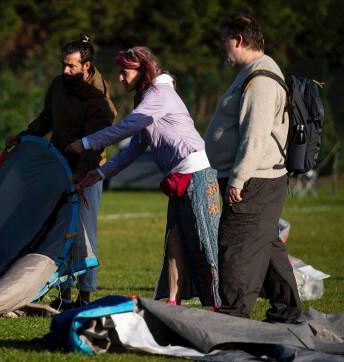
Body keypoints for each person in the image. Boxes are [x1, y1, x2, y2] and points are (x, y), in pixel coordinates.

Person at [67, 47, 221, 308]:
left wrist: (86, 142)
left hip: (196, 173)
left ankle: (221, 302)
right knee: (174, 240)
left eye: (125, 72)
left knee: (205, 240)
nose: (120, 78)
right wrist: (102, 172)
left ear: (143, 71)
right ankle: (173, 301)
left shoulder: (159, 94)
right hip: (177, 177)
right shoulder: (147, 98)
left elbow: (127, 127)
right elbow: (137, 144)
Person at [5, 34, 116, 309]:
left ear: (87, 66)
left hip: (87, 174)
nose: (65, 71)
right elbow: (46, 119)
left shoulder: (99, 99)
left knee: (84, 233)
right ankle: (63, 292)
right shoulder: (58, 85)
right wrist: (25, 136)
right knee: (59, 230)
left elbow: (94, 145)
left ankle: (85, 294)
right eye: (63, 65)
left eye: (72, 66)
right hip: (58, 168)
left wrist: (80, 176)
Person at [206, 13, 301, 322]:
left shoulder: (260, 78)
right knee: (266, 245)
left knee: (238, 247)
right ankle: (287, 311)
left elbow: (255, 134)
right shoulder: (252, 72)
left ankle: (233, 318)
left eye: (225, 41)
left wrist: (238, 178)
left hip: (254, 180)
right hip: (260, 178)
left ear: (240, 40)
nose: (222, 48)